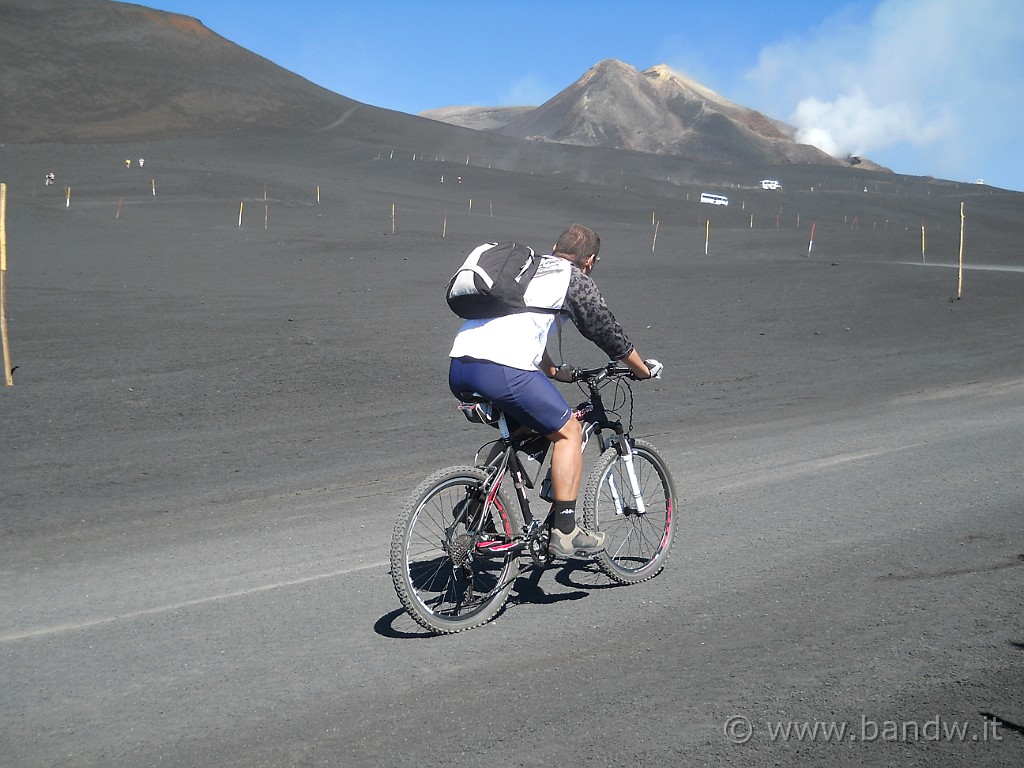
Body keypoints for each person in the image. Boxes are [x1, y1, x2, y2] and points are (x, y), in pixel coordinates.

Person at [448, 224, 661, 558]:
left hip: (460, 364)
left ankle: (476, 502)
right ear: (589, 261)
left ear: (554, 247)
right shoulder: (572, 279)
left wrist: (551, 371)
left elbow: (522, 325)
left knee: (525, 426)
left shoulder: (527, 271)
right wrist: (640, 368)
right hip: (502, 367)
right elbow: (605, 330)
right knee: (569, 432)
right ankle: (564, 532)